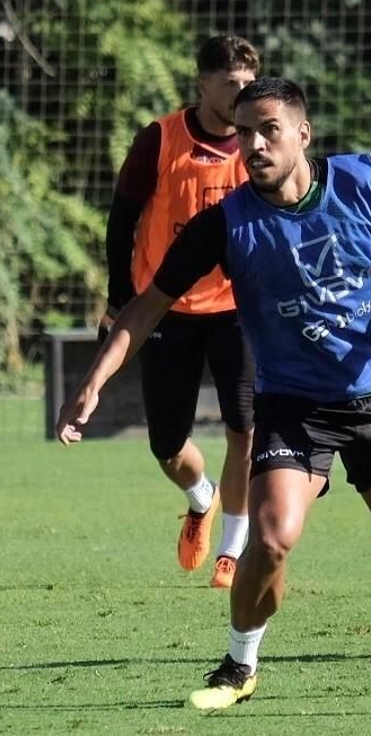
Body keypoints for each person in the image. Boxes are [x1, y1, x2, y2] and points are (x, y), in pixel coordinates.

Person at [57, 77, 371, 709]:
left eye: (269, 130)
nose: (253, 143)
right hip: (294, 407)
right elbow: (148, 307)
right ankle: (238, 665)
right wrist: (93, 382)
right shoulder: (225, 224)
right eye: (245, 131)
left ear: (301, 135)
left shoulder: (360, 186)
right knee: (273, 536)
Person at [104, 35, 259, 587]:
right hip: (167, 307)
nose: (243, 96)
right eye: (231, 85)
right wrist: (119, 299)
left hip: (236, 305)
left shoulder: (257, 144)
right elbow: (122, 219)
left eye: (249, 85)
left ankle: (234, 549)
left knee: (246, 425)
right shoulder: (160, 140)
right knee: (167, 443)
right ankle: (202, 497)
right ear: (203, 85)